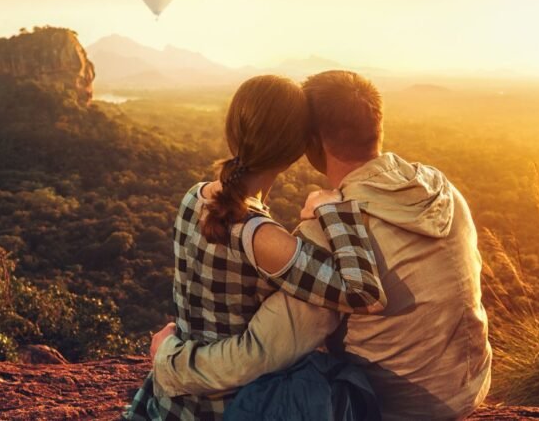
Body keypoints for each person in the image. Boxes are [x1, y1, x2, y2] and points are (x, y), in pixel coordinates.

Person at [151, 71, 492, 420]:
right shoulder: (442, 189)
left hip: (393, 407)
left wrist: (170, 361)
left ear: (309, 141)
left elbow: (261, 353)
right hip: (471, 385)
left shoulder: (329, 233)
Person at [124, 75, 389, 420]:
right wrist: (333, 210)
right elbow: (363, 293)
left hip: (171, 400)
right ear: (298, 151)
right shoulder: (262, 237)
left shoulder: (194, 196)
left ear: (233, 131)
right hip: (231, 406)